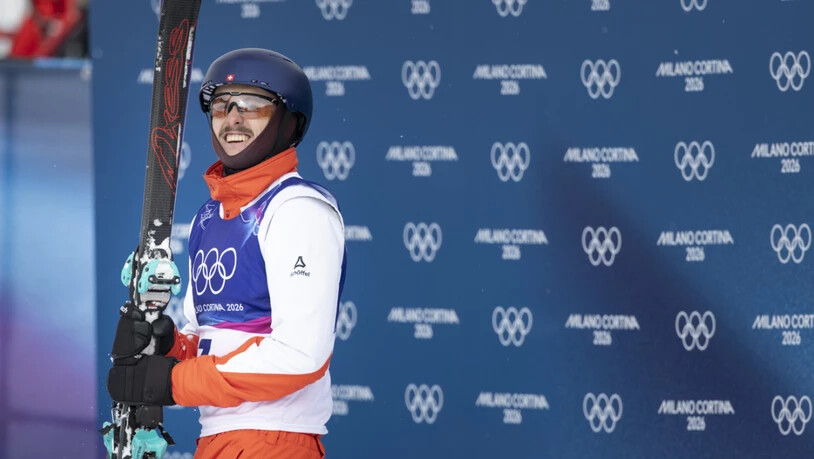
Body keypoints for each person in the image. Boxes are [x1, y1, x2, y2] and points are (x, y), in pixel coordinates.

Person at [107, 48, 346, 459]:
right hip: (218, 436)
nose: (232, 117)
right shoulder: (209, 218)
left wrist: (172, 383)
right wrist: (168, 346)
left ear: (290, 121)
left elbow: (300, 355)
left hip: (274, 439)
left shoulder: (297, 209)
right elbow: (212, 340)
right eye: (221, 104)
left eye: (253, 105)